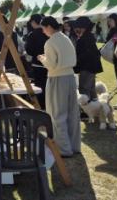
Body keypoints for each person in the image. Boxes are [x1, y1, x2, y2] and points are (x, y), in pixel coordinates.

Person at [38, 16, 80, 157]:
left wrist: (42, 59)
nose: (43, 31)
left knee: (57, 114)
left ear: (49, 27)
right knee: (72, 113)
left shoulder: (50, 42)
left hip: (57, 78)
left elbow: (51, 64)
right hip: (70, 77)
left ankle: (64, 149)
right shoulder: (65, 38)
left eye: (44, 28)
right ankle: (74, 146)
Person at [74, 16, 103, 101]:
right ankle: (95, 104)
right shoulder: (89, 36)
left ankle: (86, 106)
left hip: (86, 67)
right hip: (91, 67)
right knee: (91, 88)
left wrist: (76, 61)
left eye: (78, 27)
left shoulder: (85, 38)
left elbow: (84, 55)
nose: (76, 29)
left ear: (83, 27)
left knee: (84, 89)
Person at [25, 14, 48, 108]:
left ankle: (41, 106)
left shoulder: (32, 34)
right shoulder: (47, 32)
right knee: (48, 86)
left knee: (39, 87)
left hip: (37, 64)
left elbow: (29, 50)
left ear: (34, 22)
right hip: (49, 64)